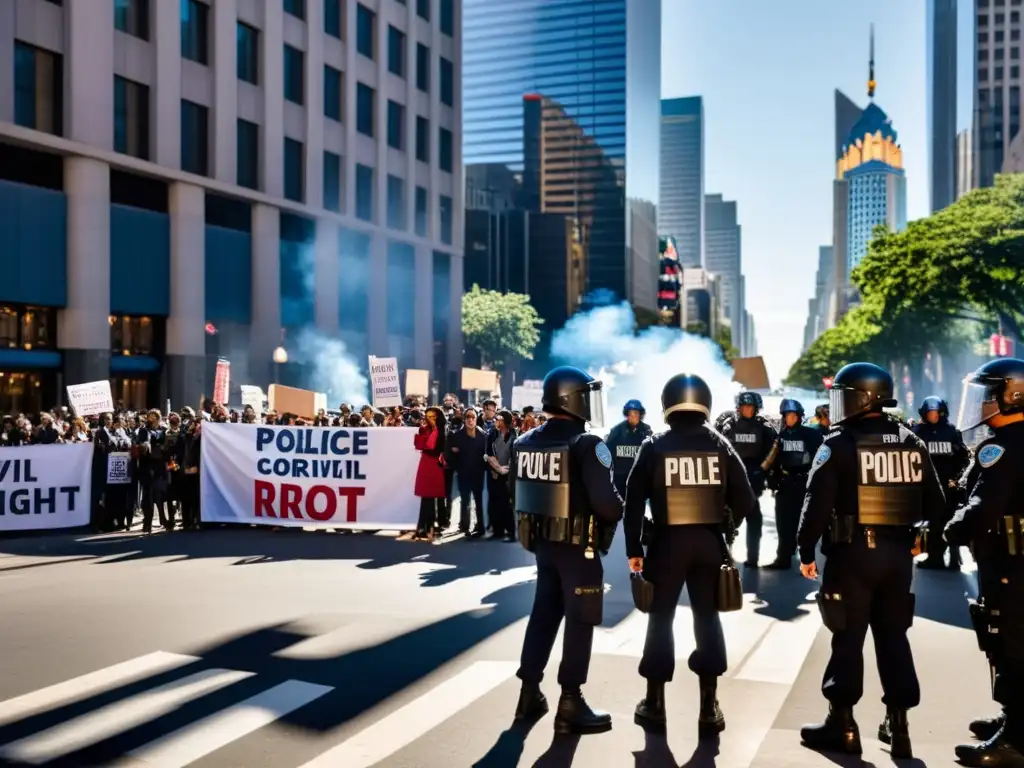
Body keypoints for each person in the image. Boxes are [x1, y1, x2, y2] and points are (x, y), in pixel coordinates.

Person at [797, 362, 944, 760]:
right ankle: (899, 728)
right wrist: (919, 538)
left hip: (852, 556)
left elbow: (815, 505)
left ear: (860, 398)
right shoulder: (910, 441)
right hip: (898, 558)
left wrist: (805, 550)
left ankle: (842, 726)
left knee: (848, 638)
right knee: (893, 636)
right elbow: (937, 503)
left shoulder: (838, 444)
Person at [624, 373, 756, 734]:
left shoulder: (654, 445)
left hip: (666, 544)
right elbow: (746, 499)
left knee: (660, 619)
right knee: (707, 618)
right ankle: (709, 706)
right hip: (709, 544)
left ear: (668, 404)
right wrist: (727, 527)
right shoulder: (719, 444)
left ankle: (654, 703)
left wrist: (634, 549)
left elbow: (633, 503)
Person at [512, 365, 623, 734]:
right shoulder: (587, 444)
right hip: (579, 550)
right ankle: (571, 701)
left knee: (543, 614)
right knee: (580, 620)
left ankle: (529, 692)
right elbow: (607, 505)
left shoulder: (526, 441)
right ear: (572, 399)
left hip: (544, 546)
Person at [945, 357, 1024, 766]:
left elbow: (981, 508)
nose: (979, 404)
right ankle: (1012, 720)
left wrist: (948, 531)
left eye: (987, 395)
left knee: (1011, 644)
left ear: (1011, 396)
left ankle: (1016, 741)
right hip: (1014, 561)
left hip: (1012, 564)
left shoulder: (1004, 446)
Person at [718, 391, 778, 567]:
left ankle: (753, 558)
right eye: (744, 406)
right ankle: (724, 555)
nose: (747, 410)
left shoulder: (764, 428)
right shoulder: (729, 425)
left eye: (750, 407)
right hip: (732, 478)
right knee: (728, 521)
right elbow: (719, 450)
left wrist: (762, 471)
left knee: (754, 520)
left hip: (753, 477)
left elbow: (773, 451)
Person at [912, 396, 971, 570]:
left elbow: (964, 458)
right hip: (928, 486)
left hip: (949, 485)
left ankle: (954, 556)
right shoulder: (918, 432)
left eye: (936, 412)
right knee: (933, 522)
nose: (933, 416)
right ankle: (935, 557)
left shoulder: (952, 431)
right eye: (930, 413)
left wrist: (958, 479)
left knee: (950, 520)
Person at [765, 399, 823, 570]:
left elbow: (819, 460)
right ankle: (783, 557)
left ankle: (806, 560)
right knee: (783, 523)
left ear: (799, 416)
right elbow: (773, 459)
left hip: (804, 484)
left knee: (803, 524)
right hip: (785, 484)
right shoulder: (780, 436)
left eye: (793, 415)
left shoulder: (811, 435)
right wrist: (772, 479)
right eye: (787, 415)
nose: (790, 418)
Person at [412, 407, 447, 542]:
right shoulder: (424, 429)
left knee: (435, 496)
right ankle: (423, 527)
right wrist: (423, 431)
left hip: (437, 464)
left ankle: (434, 526)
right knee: (426, 497)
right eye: (428, 416)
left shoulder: (443, 430)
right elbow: (420, 445)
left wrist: (434, 429)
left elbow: (436, 447)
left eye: (433, 416)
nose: (430, 419)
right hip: (426, 463)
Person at [605, 399, 654, 497]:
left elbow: (651, 455)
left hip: (639, 478)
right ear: (627, 414)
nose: (633, 416)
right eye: (630, 413)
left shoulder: (646, 431)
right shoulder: (617, 430)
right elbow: (606, 451)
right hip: (620, 477)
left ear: (640, 414)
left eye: (635, 413)